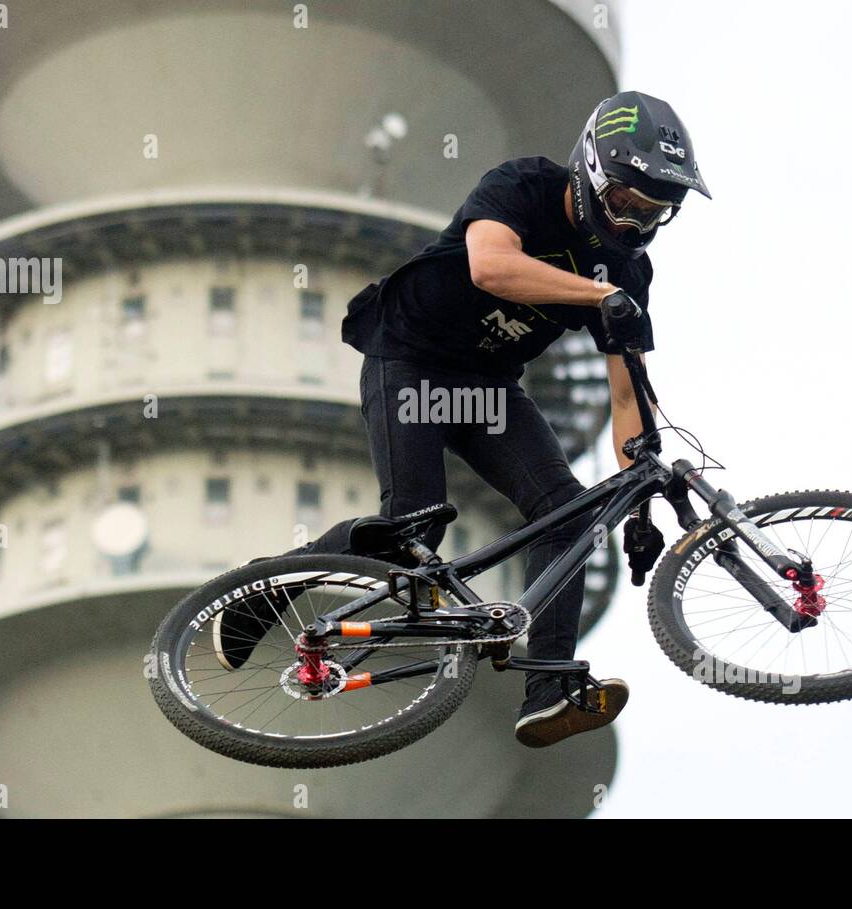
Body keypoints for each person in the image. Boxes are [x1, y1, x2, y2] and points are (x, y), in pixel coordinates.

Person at [219, 90, 710, 747]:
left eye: (654, 215)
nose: (632, 228)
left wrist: (638, 504)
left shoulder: (627, 270)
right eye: (626, 205)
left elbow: (628, 401)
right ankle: (262, 589)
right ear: (592, 173)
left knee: (568, 510)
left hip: (486, 387)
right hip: (409, 359)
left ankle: (548, 685)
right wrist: (600, 294)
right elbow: (491, 266)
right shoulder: (524, 186)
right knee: (410, 527)